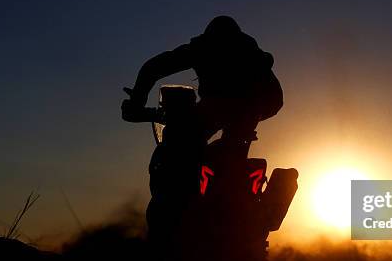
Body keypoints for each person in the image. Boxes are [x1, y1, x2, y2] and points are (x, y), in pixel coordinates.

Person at [121, 16, 283, 248]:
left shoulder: (204, 48)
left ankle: (182, 221)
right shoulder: (255, 56)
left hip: (243, 108)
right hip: (252, 109)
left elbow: (153, 68)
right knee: (224, 153)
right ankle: (230, 220)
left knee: (184, 153)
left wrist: (136, 101)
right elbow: (275, 102)